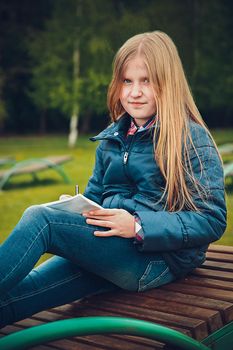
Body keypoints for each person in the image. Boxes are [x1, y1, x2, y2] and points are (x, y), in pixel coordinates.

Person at [0, 31, 226, 327]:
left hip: (156, 260)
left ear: (168, 83)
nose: (135, 92)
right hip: (109, 248)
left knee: (40, 219)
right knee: (13, 301)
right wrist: (75, 207)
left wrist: (137, 226)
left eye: (146, 81)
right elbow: (96, 196)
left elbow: (212, 218)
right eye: (127, 81)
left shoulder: (191, 139)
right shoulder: (113, 137)